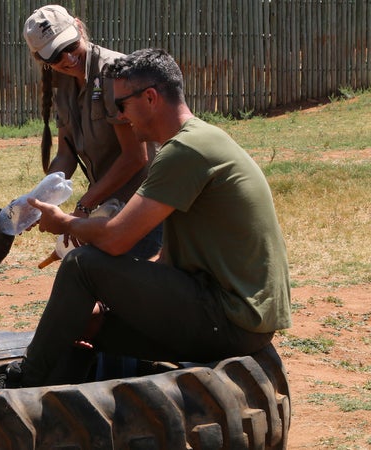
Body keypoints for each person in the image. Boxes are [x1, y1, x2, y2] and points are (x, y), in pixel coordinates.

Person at [16, 48, 292, 387]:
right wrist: (110, 308)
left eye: (121, 106)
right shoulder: (196, 141)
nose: (117, 116)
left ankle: (20, 386)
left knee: (80, 264)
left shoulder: (185, 152)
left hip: (232, 320)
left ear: (150, 98)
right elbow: (165, 258)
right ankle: (55, 410)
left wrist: (66, 223)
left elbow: (117, 239)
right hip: (236, 316)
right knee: (87, 324)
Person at [22, 5, 161, 259]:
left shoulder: (113, 73)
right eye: (55, 56)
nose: (68, 58)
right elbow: (65, 154)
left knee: (107, 277)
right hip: (111, 204)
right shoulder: (62, 83)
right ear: (41, 60)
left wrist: (84, 205)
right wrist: (38, 202)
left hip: (147, 204)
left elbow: (135, 157)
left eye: (70, 45)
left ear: (79, 27)